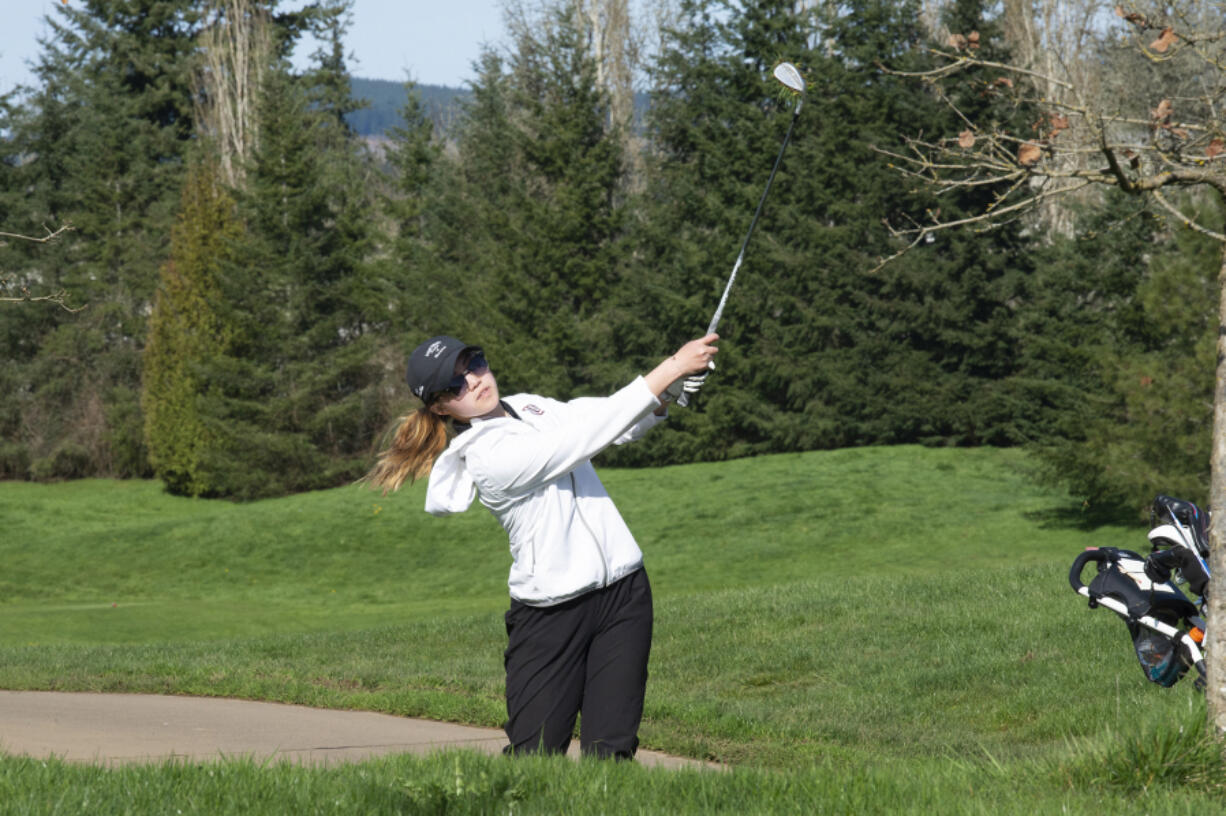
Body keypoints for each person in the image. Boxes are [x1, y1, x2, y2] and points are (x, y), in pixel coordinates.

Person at [364, 333, 719, 759]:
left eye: (473, 364)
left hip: (624, 596)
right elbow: (581, 439)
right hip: (551, 615)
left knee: (612, 751)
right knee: (535, 758)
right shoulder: (485, 454)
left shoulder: (528, 405)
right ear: (441, 407)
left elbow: (608, 418)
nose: (474, 381)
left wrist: (665, 396)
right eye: (456, 385)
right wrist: (672, 367)